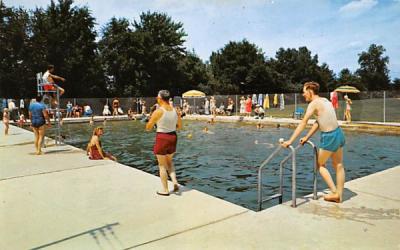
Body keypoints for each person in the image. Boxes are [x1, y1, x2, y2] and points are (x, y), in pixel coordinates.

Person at [281, 81, 345, 203]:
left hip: (329, 136)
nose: (303, 94)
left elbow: (303, 123)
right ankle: (339, 195)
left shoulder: (313, 104)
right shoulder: (325, 100)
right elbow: (318, 121)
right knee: (338, 164)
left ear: (310, 92)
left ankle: (335, 192)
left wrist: (290, 140)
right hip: (338, 133)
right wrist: (307, 137)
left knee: (320, 165)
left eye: (304, 92)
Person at [146, 90, 182, 196]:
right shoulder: (175, 110)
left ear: (160, 99)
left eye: (157, 97)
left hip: (162, 137)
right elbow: (179, 126)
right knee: (169, 162)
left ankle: (165, 190)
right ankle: (174, 181)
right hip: (173, 137)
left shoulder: (158, 111)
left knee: (162, 165)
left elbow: (148, 128)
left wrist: (153, 121)